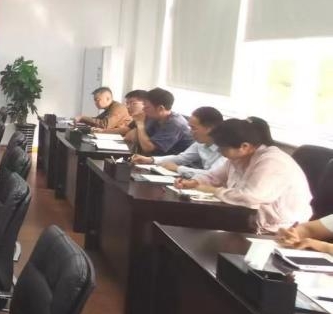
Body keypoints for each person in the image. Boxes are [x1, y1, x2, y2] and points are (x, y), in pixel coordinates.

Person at [177, 117, 312, 233]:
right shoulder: (239, 157)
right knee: (189, 223)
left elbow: (251, 197)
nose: (220, 151)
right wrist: (195, 182)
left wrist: (212, 190)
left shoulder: (272, 161)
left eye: (223, 148)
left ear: (245, 146)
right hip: (246, 217)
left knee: (198, 228)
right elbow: (214, 177)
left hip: (278, 229)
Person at [131, 106, 224, 177]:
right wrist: (151, 160)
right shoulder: (201, 143)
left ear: (209, 129)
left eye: (193, 128)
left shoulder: (226, 147)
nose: (190, 132)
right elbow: (182, 158)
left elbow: (213, 175)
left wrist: (178, 168)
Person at [127, 87, 193, 156]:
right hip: (154, 158)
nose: (143, 109)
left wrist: (140, 124)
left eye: (147, 107)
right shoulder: (153, 116)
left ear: (160, 108)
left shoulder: (175, 124)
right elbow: (129, 137)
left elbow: (148, 148)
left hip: (175, 160)